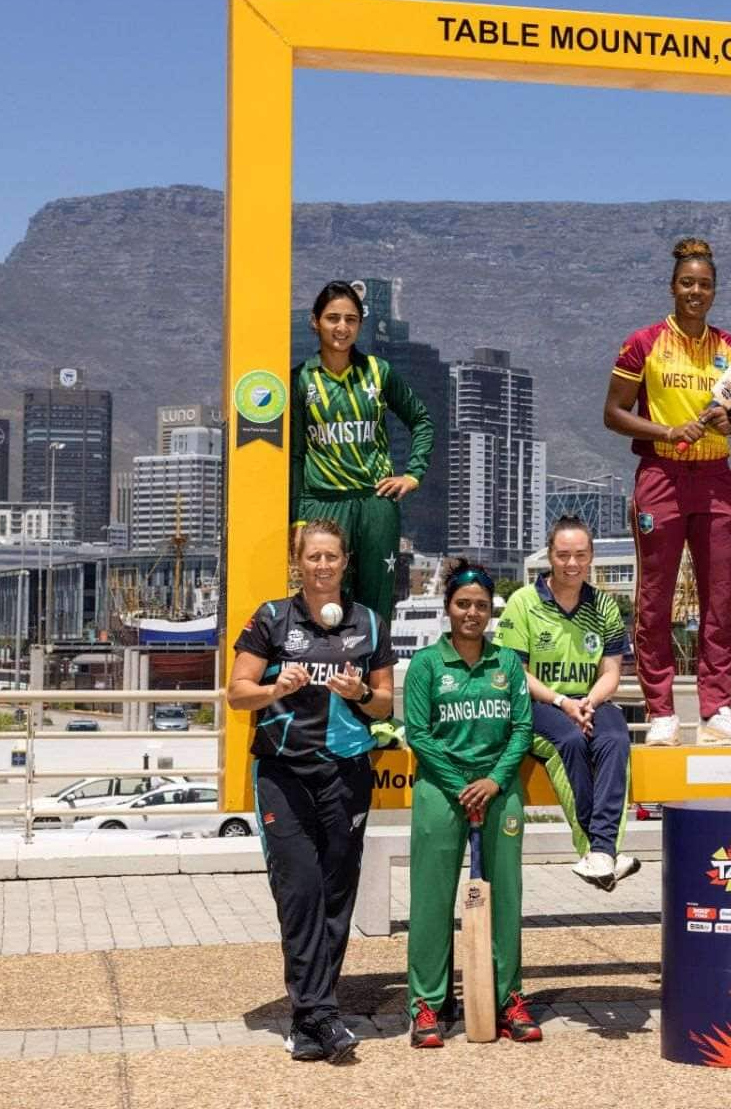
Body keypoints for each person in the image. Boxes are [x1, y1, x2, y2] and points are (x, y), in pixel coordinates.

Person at [226, 519, 396, 1062]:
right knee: (299, 893)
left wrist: (361, 690)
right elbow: (236, 694)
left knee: (336, 893)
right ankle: (320, 1015)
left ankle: (312, 1019)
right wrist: (276, 686)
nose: (322, 566)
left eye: (332, 557)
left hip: (346, 772)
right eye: (313, 557)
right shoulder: (272, 618)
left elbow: (385, 703)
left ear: (346, 562)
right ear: (298, 563)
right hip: (282, 772)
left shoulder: (369, 622)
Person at [603, 238, 731, 748]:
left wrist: (724, 422)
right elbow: (613, 413)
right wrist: (667, 432)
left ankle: (717, 709)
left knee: (720, 598)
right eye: (687, 283)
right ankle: (662, 709)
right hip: (661, 476)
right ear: (673, 287)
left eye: (705, 285)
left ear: (715, 291)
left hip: (714, 479)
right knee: (655, 598)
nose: (696, 291)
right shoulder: (642, 343)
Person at [401, 561, 540, 1047]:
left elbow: (522, 728)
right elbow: (417, 732)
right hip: (442, 791)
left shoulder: (506, 665)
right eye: (463, 604)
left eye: (481, 605)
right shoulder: (426, 665)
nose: (472, 613)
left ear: (491, 612)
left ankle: (508, 1000)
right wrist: (465, 783)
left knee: (506, 898)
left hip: (499, 792)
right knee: (432, 900)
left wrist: (495, 781)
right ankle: (427, 1004)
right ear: (448, 608)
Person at [496, 515, 641, 890]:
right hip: (537, 704)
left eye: (580, 555)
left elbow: (611, 672)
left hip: (589, 703)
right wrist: (563, 702)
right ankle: (596, 848)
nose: (571, 563)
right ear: (550, 556)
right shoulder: (523, 602)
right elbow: (516, 674)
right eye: (563, 555)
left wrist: (589, 702)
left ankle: (603, 853)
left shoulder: (605, 606)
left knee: (616, 739)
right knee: (572, 742)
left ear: (591, 556)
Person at [289, 279, 436, 624]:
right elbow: (295, 456)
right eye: (333, 318)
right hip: (322, 503)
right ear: (315, 321)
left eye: (351, 319)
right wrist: (296, 517)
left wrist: (413, 474)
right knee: (323, 604)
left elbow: (422, 420)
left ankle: (375, 678)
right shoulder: (299, 380)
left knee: (375, 607)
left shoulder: (378, 372)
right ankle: (323, 676)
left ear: (360, 324)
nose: (342, 328)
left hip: (374, 503)